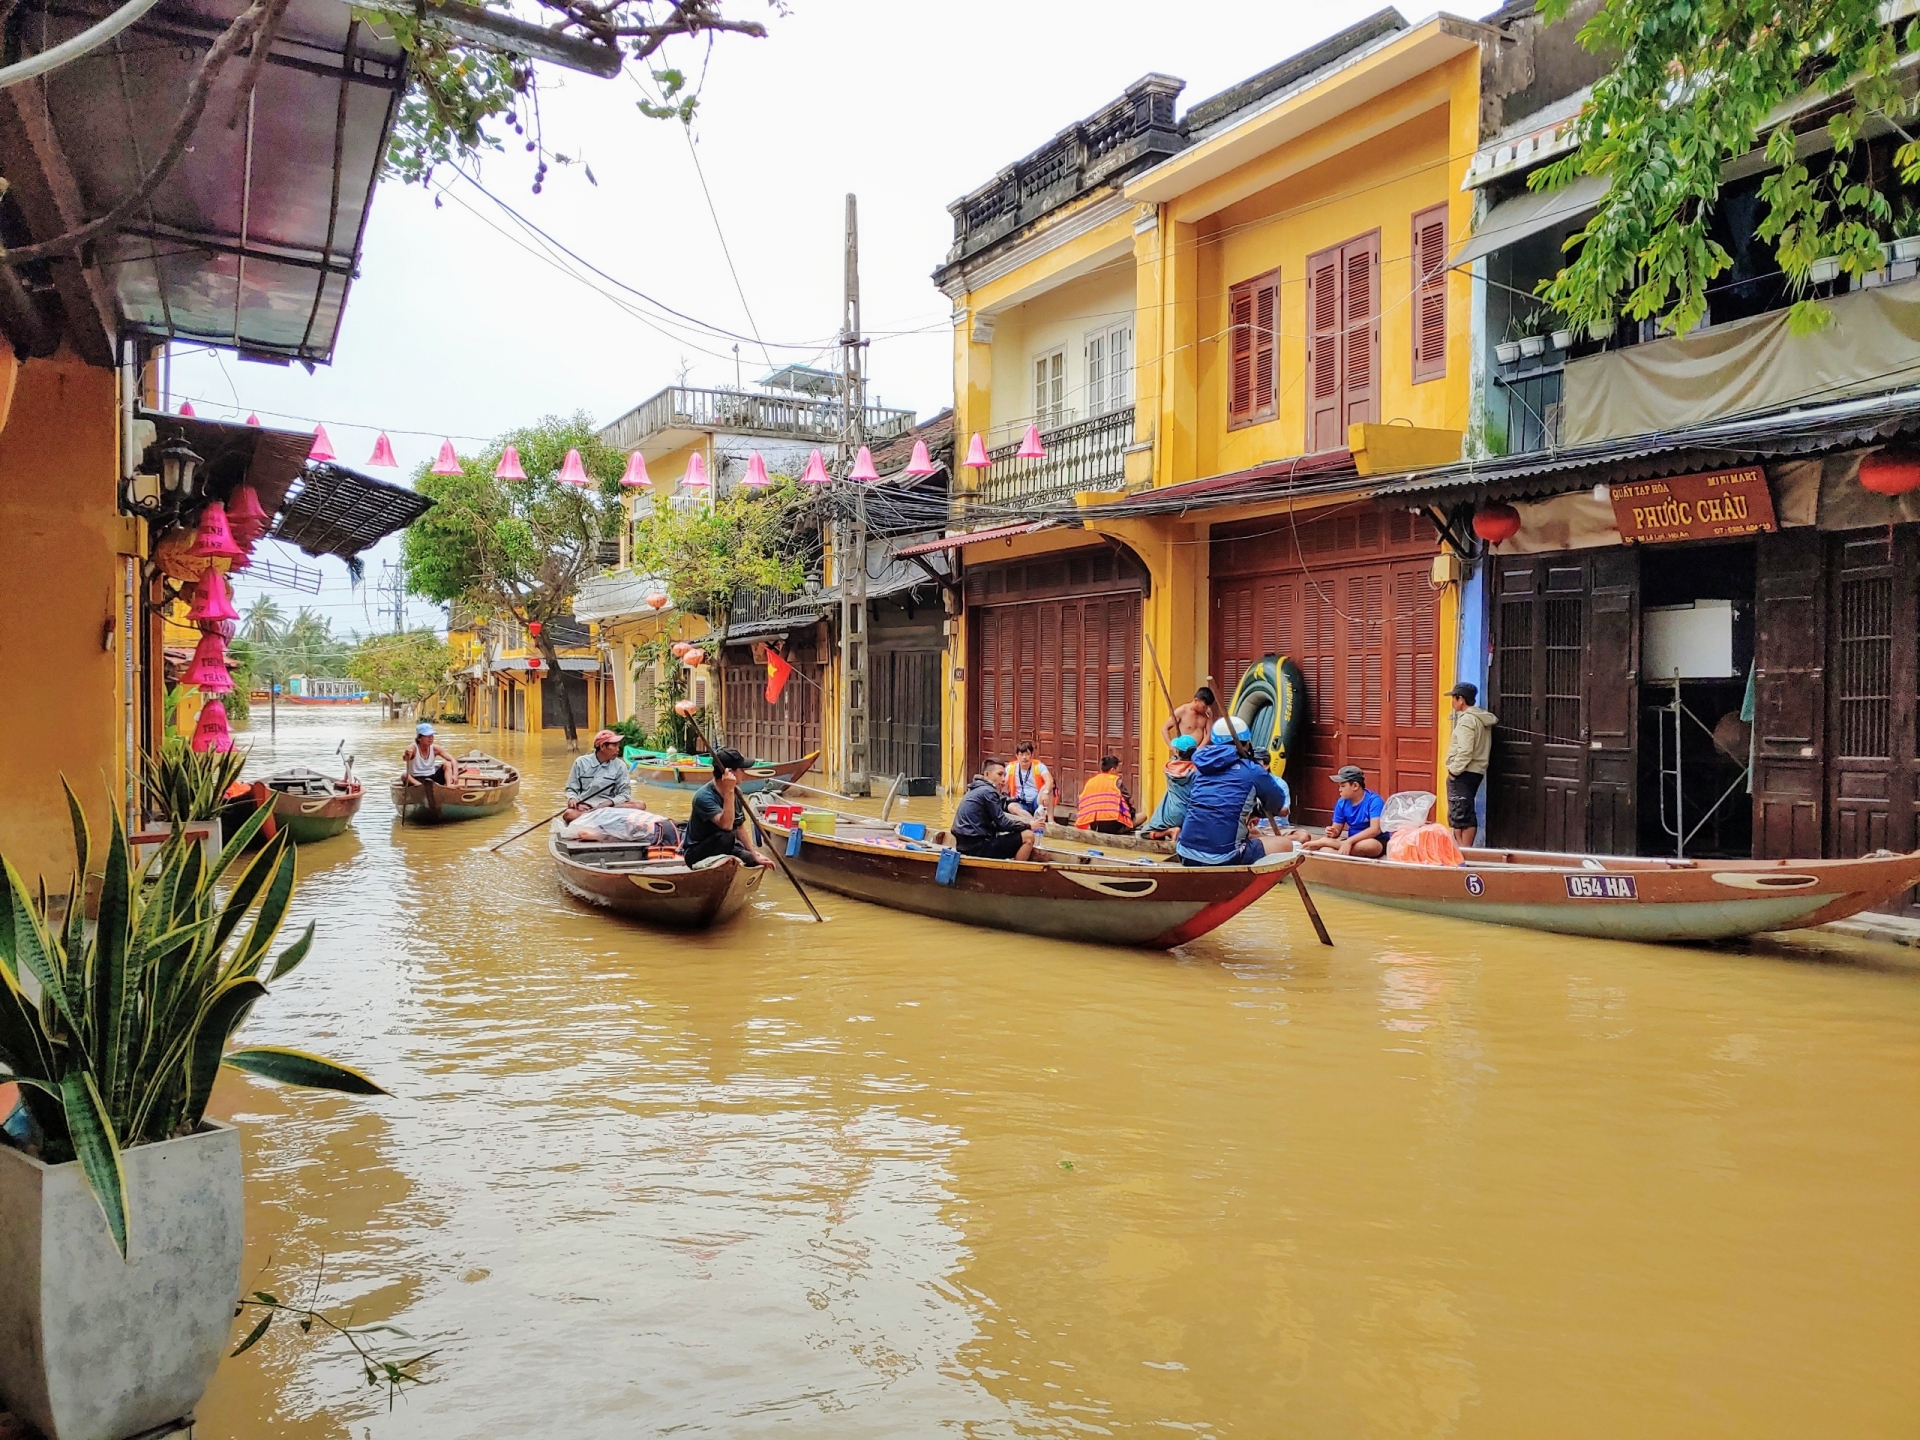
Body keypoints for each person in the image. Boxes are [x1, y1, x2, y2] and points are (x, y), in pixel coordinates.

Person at [1175, 716, 1294, 867]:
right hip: (1224, 857)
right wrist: (1264, 811)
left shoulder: (1200, 768)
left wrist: (1254, 813)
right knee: (1285, 844)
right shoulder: (1253, 771)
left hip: (1184, 851)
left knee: (1250, 833)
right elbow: (1276, 803)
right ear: (1247, 743)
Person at [682, 747, 767, 868]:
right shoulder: (703, 797)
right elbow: (726, 825)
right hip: (697, 852)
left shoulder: (737, 793)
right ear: (730, 773)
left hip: (725, 845)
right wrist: (729, 792)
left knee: (750, 860)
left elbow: (740, 827)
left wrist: (755, 855)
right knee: (727, 834)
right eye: (741, 769)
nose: (744, 772)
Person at [954, 758, 1040, 861]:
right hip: (977, 847)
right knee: (1028, 836)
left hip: (964, 845)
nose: (1003, 779)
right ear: (987, 774)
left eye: (1004, 775)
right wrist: (1029, 825)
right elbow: (1002, 823)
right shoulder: (988, 791)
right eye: (1000, 775)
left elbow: (997, 824)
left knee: (1013, 834)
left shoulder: (975, 788)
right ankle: (1017, 874)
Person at [1444, 681, 1497, 847]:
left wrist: (1454, 771)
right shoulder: (1479, 717)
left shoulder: (1468, 720)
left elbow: (1466, 751)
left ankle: (1466, 853)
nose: (1452, 702)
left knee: (1463, 814)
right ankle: (1460, 851)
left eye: (1453, 698)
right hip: (1474, 772)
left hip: (1464, 772)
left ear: (1461, 700)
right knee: (1458, 813)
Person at [1301, 765, 1389, 857]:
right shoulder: (1341, 803)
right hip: (1351, 842)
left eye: (1343, 786)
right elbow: (1337, 829)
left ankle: (1329, 844)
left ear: (1355, 786)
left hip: (1374, 840)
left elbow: (1375, 830)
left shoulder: (1374, 801)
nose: (1339, 790)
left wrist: (1349, 842)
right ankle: (1336, 848)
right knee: (1325, 849)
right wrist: (1333, 831)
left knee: (1371, 846)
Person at [563, 730, 635, 823]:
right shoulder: (580, 762)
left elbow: (624, 794)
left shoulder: (620, 766)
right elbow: (571, 789)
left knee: (640, 805)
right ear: (602, 746)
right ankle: (595, 816)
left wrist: (608, 803)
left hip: (610, 807)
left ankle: (594, 816)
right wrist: (573, 800)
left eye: (618, 746)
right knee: (569, 814)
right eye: (614, 746)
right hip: (585, 808)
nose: (618, 749)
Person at [1141, 733, 1199, 839]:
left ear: (1177, 752)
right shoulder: (1198, 769)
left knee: (1145, 833)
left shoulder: (1168, 767)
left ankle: (1170, 831)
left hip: (1172, 814)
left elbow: (1176, 759)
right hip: (1191, 813)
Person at [1073, 755, 1134, 834]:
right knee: (1142, 817)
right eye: (1117, 770)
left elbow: (1081, 802)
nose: (1118, 773)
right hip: (1113, 824)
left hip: (1094, 824)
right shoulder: (1116, 781)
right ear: (1112, 770)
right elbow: (1130, 801)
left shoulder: (1091, 782)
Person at [1003, 740, 1054, 822]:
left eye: (1027, 754)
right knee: (1011, 807)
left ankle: (1051, 821)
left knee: (1048, 787)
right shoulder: (1010, 767)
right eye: (1021, 754)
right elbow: (1003, 781)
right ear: (1017, 756)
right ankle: (1034, 822)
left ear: (1032, 755)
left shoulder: (1039, 766)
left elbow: (1049, 780)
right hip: (1020, 802)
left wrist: (1046, 792)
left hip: (1037, 801)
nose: (1024, 757)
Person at [399, 723, 459, 790]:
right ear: (419, 738)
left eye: (432, 736)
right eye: (427, 736)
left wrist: (455, 775)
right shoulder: (413, 747)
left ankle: (448, 785)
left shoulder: (435, 748)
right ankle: (421, 787)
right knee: (404, 775)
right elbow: (405, 758)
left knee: (447, 764)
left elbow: (452, 760)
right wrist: (407, 755)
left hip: (431, 777)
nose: (431, 738)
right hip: (416, 779)